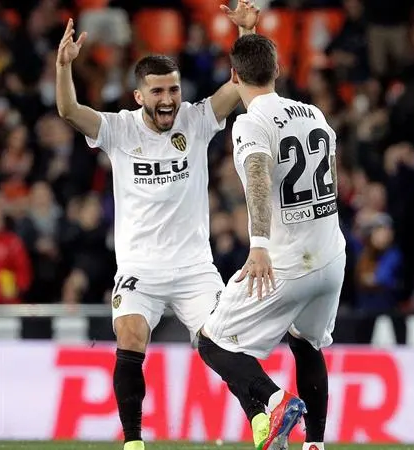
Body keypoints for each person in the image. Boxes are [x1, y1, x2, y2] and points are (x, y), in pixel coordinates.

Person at [54, 2, 260, 449]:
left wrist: (246, 32)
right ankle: (133, 441)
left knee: (223, 344)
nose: (168, 100)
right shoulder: (119, 129)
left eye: (173, 90)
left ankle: (262, 422)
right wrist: (65, 68)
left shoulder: (197, 120)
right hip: (140, 269)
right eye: (158, 92)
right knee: (129, 336)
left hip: (193, 269)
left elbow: (239, 84)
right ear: (139, 96)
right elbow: (69, 111)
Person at [198, 34, 346, 450]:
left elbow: (260, 178)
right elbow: (332, 174)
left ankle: (278, 401)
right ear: (277, 70)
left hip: (286, 259)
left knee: (212, 342)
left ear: (233, 76)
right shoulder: (315, 114)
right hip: (331, 255)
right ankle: (315, 445)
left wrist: (259, 243)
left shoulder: (250, 122)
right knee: (307, 342)